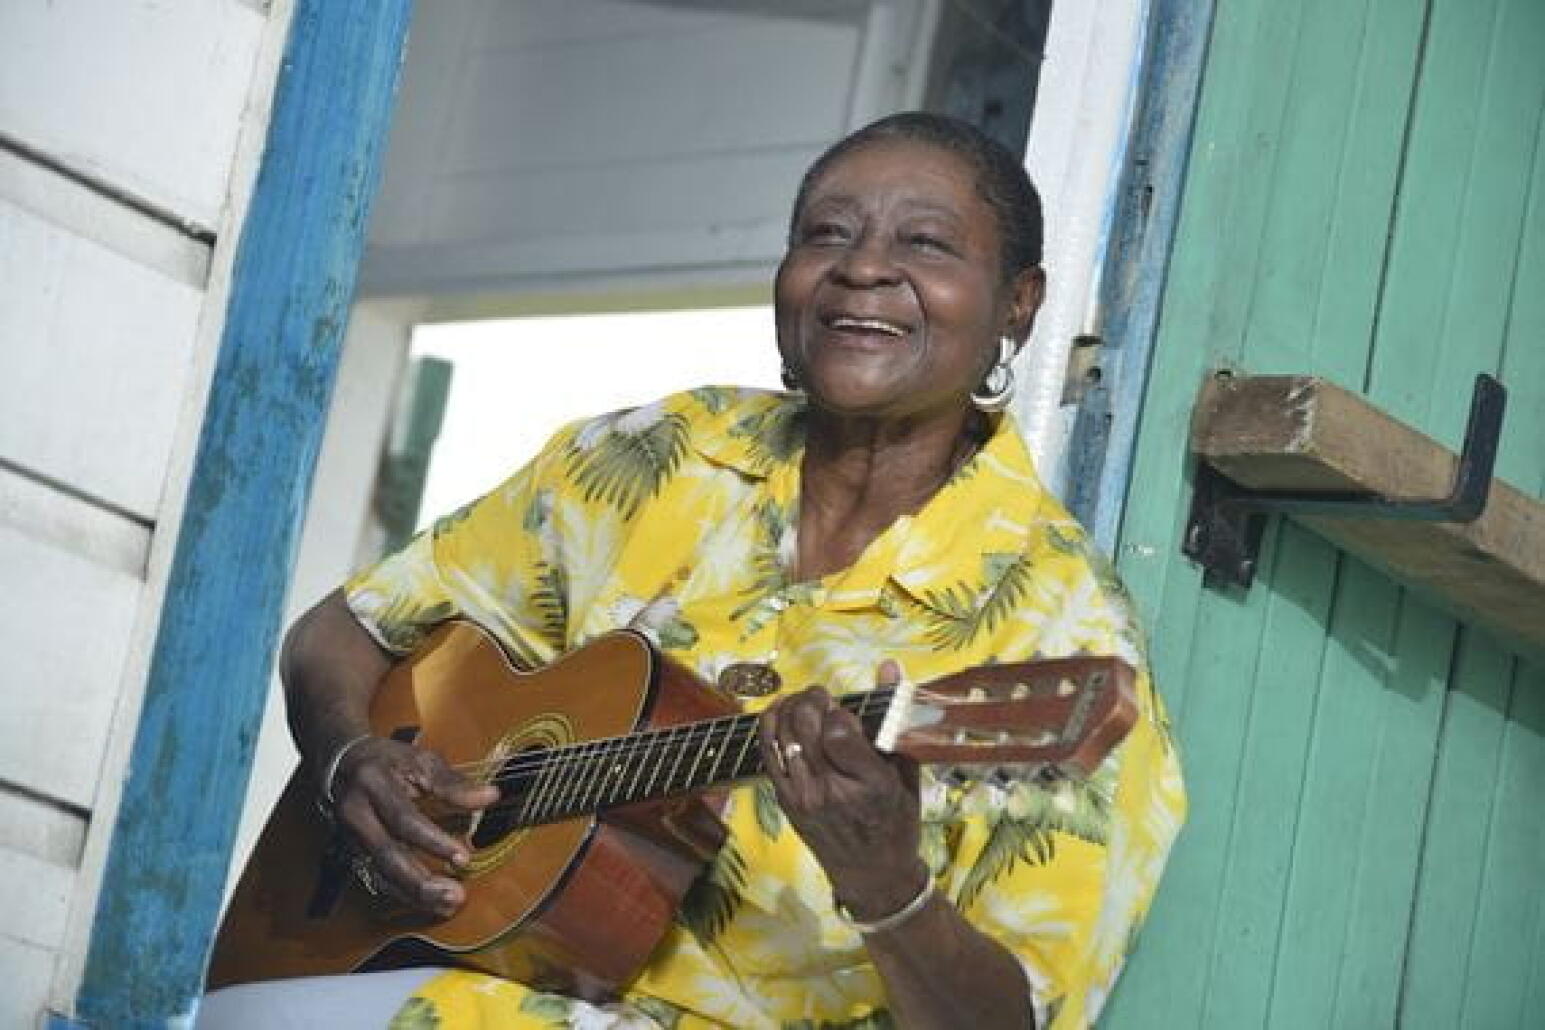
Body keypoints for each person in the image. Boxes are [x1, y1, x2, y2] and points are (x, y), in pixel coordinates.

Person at [200, 111, 1185, 1029]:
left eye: (925, 243)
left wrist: (886, 883)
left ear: (1018, 303)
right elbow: (344, 631)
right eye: (827, 233)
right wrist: (349, 760)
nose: (862, 269)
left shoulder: (1062, 629)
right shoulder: (662, 453)